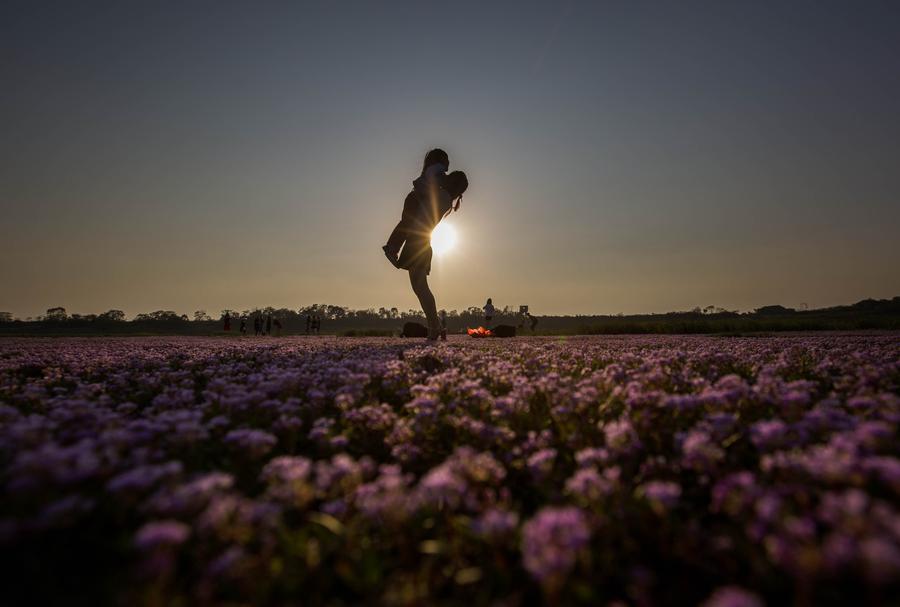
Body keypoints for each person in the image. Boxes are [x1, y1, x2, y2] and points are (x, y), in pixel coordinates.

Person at [395, 170, 469, 340]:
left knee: (421, 288)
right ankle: (435, 326)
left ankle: (434, 327)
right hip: (420, 240)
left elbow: (421, 194)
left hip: (418, 241)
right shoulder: (446, 198)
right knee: (420, 288)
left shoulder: (442, 195)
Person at [383, 149, 449, 267]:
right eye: (447, 159)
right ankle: (392, 248)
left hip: (414, 198)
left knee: (407, 225)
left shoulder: (432, 170)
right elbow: (433, 177)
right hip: (416, 200)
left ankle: (394, 249)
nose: (449, 162)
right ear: (441, 160)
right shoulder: (437, 169)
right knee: (408, 225)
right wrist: (445, 180)